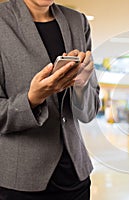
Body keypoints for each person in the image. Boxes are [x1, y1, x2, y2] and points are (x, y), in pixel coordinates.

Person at [0, 0, 100, 199]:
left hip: (75, 175)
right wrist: (32, 99)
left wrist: (81, 86)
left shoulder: (77, 21)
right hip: (20, 182)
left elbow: (89, 111)